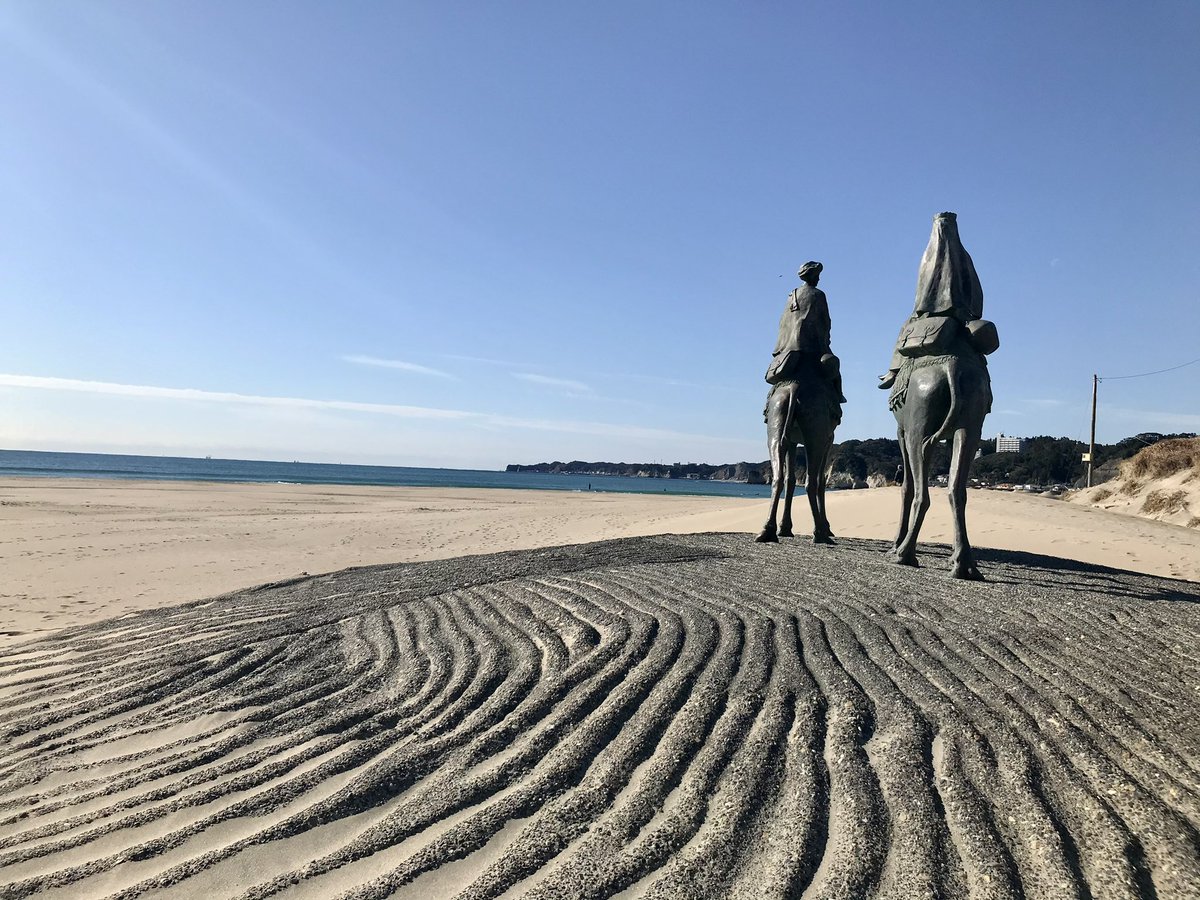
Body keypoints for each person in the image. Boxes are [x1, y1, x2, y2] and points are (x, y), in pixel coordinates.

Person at [879, 212, 984, 389]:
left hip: (930, 311)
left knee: (906, 327)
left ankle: (893, 371)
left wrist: (921, 309)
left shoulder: (929, 255)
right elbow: (975, 289)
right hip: (962, 314)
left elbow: (923, 290)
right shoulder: (965, 257)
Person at [765, 261, 846, 403]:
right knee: (834, 366)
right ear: (813, 276)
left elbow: (783, 322)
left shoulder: (792, 295)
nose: (819, 279)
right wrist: (825, 342)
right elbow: (825, 322)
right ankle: (838, 396)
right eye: (817, 275)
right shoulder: (818, 294)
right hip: (811, 348)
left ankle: (769, 404)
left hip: (786, 350)